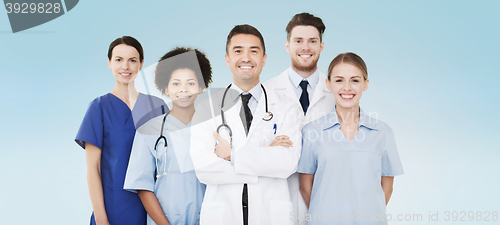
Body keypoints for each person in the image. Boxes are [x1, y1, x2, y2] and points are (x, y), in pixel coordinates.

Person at [189, 24, 303, 225]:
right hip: (223, 215)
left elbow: (287, 163)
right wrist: (266, 157)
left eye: (254, 51)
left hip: (271, 215)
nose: (246, 58)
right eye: (238, 51)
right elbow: (204, 169)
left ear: (264, 58)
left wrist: (232, 155)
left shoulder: (287, 106)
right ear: (227, 59)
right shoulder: (207, 108)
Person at [297, 53, 404, 225]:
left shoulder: (383, 132)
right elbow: (305, 186)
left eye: (354, 80)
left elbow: (387, 187)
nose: (347, 87)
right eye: (339, 80)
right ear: (329, 83)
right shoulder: (312, 131)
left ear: (365, 84)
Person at [75, 36, 167, 225]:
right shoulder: (99, 108)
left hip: (155, 207)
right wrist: (101, 217)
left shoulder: (157, 107)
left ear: (141, 64)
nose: (125, 66)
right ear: (109, 63)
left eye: (132, 60)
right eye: (118, 60)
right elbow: (94, 168)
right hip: (113, 208)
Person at [123, 47, 213, 225]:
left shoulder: (213, 128)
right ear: (165, 87)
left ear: (201, 86)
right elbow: (143, 187)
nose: (183, 90)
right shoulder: (148, 131)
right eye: (176, 83)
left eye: (191, 83)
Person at [264, 12, 335, 225]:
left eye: (312, 41)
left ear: (321, 46)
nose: (305, 47)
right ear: (288, 46)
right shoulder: (265, 92)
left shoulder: (337, 93)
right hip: (277, 195)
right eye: (298, 41)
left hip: (324, 194)